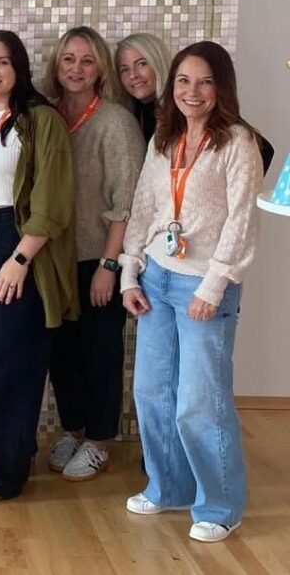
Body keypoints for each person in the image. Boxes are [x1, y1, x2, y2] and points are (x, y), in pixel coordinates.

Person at [120, 41, 262, 543]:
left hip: (205, 287)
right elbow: (143, 209)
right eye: (183, 80)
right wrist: (129, 272)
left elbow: (242, 222)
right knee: (152, 393)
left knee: (200, 402)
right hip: (156, 278)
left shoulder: (238, 142)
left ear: (221, 86)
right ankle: (169, 487)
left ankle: (220, 506)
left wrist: (215, 283)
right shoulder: (164, 139)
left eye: (204, 81)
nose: (192, 91)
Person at [0, 30, 76, 505]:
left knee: (6, 363)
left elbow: (52, 197)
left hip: (18, 241)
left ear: (20, 69)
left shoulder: (41, 120)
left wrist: (21, 257)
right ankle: (11, 456)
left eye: (2, 63)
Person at [42, 27, 145, 480]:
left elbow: (127, 202)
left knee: (100, 351)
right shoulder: (48, 117)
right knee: (62, 351)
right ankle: (72, 428)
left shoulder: (116, 123)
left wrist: (109, 264)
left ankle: (99, 439)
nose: (76, 69)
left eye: (86, 60)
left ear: (101, 68)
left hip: (98, 258)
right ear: (56, 66)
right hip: (55, 261)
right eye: (68, 59)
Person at [114, 33, 171, 143]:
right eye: (124, 69)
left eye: (141, 64)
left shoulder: (181, 114)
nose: (133, 75)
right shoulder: (127, 115)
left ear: (159, 63)